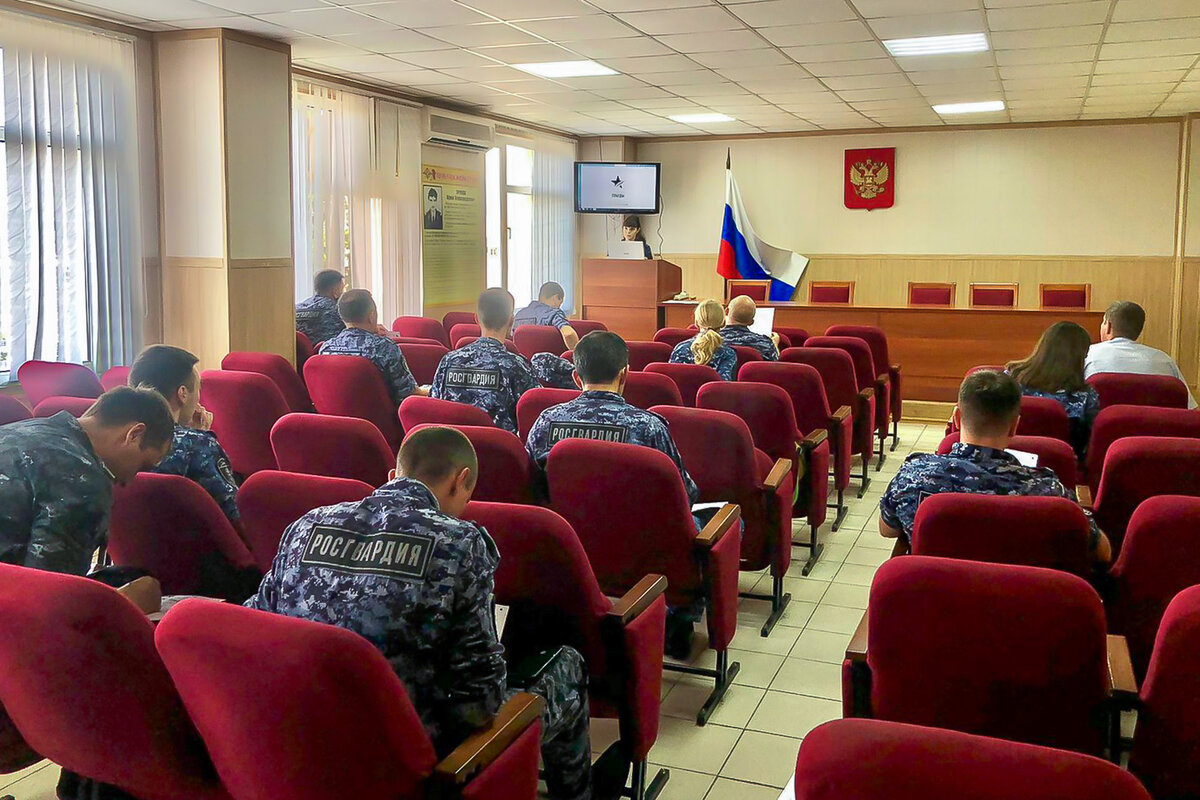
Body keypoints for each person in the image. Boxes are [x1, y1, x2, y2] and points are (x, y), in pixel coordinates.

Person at [246, 426, 626, 800]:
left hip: (299, 741)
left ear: (393, 476)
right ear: (461, 481)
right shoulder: (459, 541)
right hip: (412, 761)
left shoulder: (306, 524)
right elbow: (479, 703)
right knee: (567, 667)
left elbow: (256, 624)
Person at [879, 371, 1110, 564]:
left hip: (935, 597)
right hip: (1024, 601)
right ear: (1014, 426)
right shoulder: (1048, 492)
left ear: (956, 418)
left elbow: (887, 529)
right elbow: (1102, 551)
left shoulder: (915, 475)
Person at [0, 386, 174, 575]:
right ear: (134, 434)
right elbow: (52, 588)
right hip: (14, 588)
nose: (129, 481)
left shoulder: (19, 429)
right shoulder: (84, 482)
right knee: (143, 584)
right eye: (142, 466)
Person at [526, 331, 698, 505]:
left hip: (564, 521)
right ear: (624, 375)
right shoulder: (649, 427)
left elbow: (529, 486)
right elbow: (684, 494)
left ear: (577, 378)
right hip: (634, 521)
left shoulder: (546, 421)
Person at [128, 345, 241, 527]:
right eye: (197, 389)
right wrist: (200, 438)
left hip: (132, 543)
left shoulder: (118, 441)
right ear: (182, 393)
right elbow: (236, 516)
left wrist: (194, 434)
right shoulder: (199, 445)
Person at [431, 288, 539, 434]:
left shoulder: (448, 361)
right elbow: (533, 413)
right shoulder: (517, 366)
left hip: (454, 445)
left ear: (476, 319)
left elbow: (435, 407)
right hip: (498, 446)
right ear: (511, 321)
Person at [319, 288, 429, 408]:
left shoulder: (326, 349)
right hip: (382, 418)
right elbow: (408, 394)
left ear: (342, 317)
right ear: (372, 316)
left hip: (337, 416)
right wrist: (429, 390)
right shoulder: (385, 348)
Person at [1006, 321, 1100, 458]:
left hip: (1009, 458)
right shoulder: (1086, 396)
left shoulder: (1009, 379)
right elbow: (1089, 444)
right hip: (1059, 462)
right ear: (1081, 357)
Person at [1085, 300, 1197, 409]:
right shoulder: (1164, 361)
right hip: (1154, 422)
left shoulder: (1087, 355)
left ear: (1109, 326)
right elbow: (1190, 408)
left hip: (1101, 421)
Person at [668, 299, 737, 380]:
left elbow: (671, 381)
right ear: (723, 323)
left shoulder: (680, 349)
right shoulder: (728, 354)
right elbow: (723, 385)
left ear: (696, 323)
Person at [514, 282, 579, 351]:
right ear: (555, 297)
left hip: (521, 357)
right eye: (560, 303)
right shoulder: (554, 313)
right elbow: (569, 334)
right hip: (547, 356)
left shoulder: (519, 314)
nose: (559, 306)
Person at [295, 269, 346, 346]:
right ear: (335, 291)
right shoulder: (338, 310)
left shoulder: (296, 309)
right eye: (342, 289)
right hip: (328, 352)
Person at [720, 295, 779, 361]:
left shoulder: (714, 340)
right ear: (751, 322)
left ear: (726, 311)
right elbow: (774, 363)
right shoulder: (764, 343)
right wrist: (775, 344)